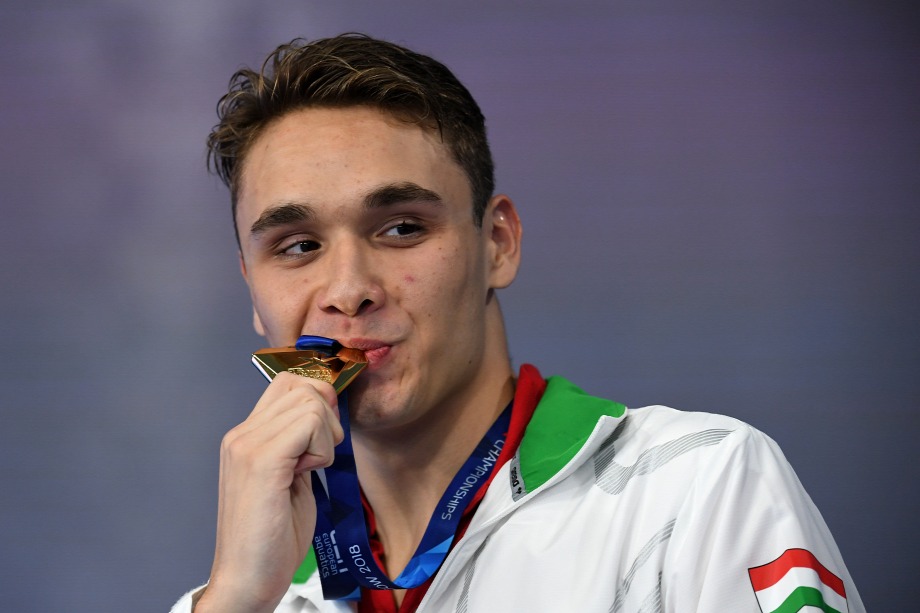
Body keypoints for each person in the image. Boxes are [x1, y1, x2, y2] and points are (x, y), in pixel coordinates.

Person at [172, 34, 864, 612]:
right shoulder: (248, 592)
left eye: (402, 228)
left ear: (497, 243)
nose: (349, 291)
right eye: (298, 246)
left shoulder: (698, 488)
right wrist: (235, 599)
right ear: (253, 289)